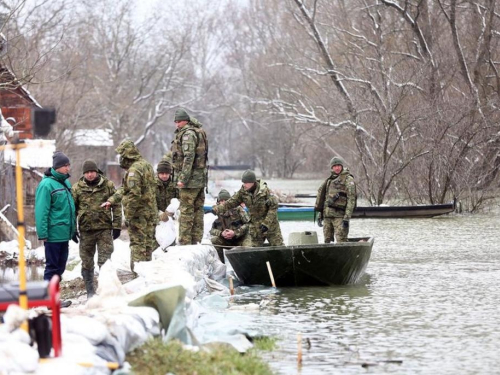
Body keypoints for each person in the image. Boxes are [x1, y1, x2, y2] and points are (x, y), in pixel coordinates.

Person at [101, 140, 156, 273]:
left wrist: (129, 216)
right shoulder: (146, 165)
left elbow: (133, 195)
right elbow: (126, 189)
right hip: (150, 214)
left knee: (138, 246)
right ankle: (146, 277)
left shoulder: (134, 171)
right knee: (148, 245)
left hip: (139, 215)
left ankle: (138, 277)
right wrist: (112, 200)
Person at [72, 160, 121, 299]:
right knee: (86, 261)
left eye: (92, 172)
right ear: (84, 174)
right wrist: (73, 229)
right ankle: (90, 291)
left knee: (105, 261)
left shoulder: (108, 185)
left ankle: (106, 290)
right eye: (87, 172)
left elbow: (116, 205)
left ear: (97, 171)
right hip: (86, 230)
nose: (90, 175)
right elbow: (72, 210)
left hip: (104, 229)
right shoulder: (77, 188)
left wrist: (116, 225)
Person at [35, 151, 76, 308]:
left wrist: (73, 230)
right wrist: (43, 233)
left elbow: (69, 209)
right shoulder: (46, 185)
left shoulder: (65, 183)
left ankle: (55, 298)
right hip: (52, 235)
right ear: (58, 167)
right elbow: (41, 210)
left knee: (60, 267)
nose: (68, 168)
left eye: (68, 165)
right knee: (52, 268)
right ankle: (49, 301)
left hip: (64, 234)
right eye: (65, 165)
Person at [212, 170, 284, 247]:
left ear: (252, 182)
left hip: (270, 226)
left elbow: (273, 207)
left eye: (246, 183)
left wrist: (266, 223)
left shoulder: (265, 191)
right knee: (253, 251)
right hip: (256, 228)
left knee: (278, 248)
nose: (244, 185)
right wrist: (217, 209)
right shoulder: (243, 192)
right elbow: (231, 202)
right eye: (243, 183)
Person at [170, 108, 208, 245]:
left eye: (179, 121)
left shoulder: (187, 134)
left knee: (186, 211)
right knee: (198, 210)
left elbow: (189, 157)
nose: (177, 124)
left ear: (185, 121)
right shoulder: (197, 131)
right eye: (175, 122)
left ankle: (186, 243)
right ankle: (196, 241)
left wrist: (183, 179)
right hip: (199, 179)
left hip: (190, 181)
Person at [315, 156, 357, 243]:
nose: (337, 168)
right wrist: (320, 215)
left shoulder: (348, 179)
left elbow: (351, 200)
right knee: (327, 240)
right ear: (332, 167)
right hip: (327, 217)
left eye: (338, 165)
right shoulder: (329, 180)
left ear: (342, 166)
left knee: (341, 240)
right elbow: (325, 199)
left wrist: (346, 218)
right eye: (334, 166)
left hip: (340, 216)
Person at [210, 189, 252, 262]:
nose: (223, 202)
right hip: (227, 240)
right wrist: (221, 233)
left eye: (225, 200)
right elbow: (212, 230)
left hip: (241, 238)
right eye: (221, 200)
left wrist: (235, 233)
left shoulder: (238, 209)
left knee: (249, 247)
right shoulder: (217, 212)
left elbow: (249, 224)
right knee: (214, 240)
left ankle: (247, 265)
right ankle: (221, 265)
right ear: (218, 201)